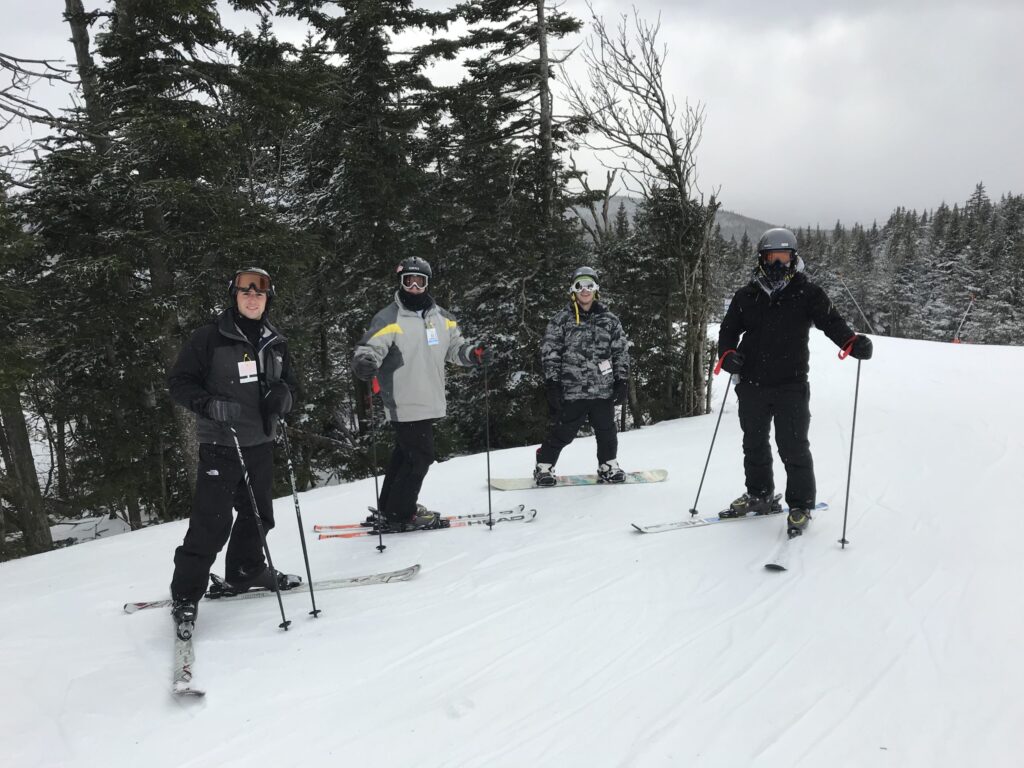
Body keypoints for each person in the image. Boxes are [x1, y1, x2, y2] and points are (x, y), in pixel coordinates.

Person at [167, 267, 298, 635]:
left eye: (259, 293)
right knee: (212, 524)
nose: (252, 298)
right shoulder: (210, 338)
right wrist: (207, 404)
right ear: (235, 296)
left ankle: (246, 570)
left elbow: (291, 383)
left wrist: (285, 396)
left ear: (267, 299)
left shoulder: (276, 341)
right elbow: (179, 383)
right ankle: (185, 595)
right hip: (221, 445)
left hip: (260, 441)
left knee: (260, 516)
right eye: (245, 292)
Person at [717, 228, 873, 534]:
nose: (778, 264)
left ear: (794, 259)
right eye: (772, 258)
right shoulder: (745, 295)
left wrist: (851, 343)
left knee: (793, 446)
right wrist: (728, 354)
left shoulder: (808, 293)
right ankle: (760, 495)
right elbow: (728, 331)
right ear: (762, 259)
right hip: (752, 384)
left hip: (791, 384)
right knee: (754, 444)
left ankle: (800, 504)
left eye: (784, 257)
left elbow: (832, 322)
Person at [352, 257, 492, 531]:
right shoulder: (389, 317)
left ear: (427, 284)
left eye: (420, 282)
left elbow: (456, 349)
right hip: (403, 398)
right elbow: (369, 347)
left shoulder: (442, 318)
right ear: (401, 283)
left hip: (430, 396)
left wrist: (474, 355)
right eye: (409, 281)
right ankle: (401, 513)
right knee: (421, 456)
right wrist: (364, 361)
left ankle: (389, 506)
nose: (414, 287)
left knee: (405, 454)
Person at [533, 266, 631, 486]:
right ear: (573, 289)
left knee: (606, 431)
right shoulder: (561, 320)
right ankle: (544, 466)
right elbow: (551, 352)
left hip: (602, 388)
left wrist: (622, 380)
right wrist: (552, 383)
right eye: (580, 286)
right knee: (563, 432)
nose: (585, 290)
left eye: (589, 285)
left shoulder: (610, 320)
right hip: (572, 389)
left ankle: (608, 465)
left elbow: (620, 352)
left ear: (596, 289)